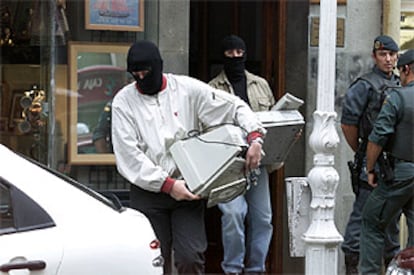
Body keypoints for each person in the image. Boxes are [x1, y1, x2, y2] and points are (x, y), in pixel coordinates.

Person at [111, 40, 266, 275]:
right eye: (136, 73)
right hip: (149, 190)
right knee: (153, 260)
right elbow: (129, 155)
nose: (141, 77)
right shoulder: (124, 102)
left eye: (146, 71)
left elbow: (234, 107)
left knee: (190, 256)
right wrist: (167, 184)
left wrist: (254, 137)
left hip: (190, 184)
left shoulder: (186, 89)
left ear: (158, 66)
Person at [208, 34, 275, 275]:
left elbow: (272, 121)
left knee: (263, 219)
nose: (236, 57)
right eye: (230, 54)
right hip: (227, 166)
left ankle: (256, 269)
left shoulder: (260, 85)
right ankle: (232, 269)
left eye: (240, 53)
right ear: (222, 56)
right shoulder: (212, 89)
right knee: (234, 215)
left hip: (257, 163)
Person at [340, 35, 401, 274]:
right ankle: (352, 267)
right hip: (373, 162)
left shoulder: (400, 83)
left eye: (391, 54)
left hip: (396, 161)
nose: (388, 59)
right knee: (363, 216)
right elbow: (348, 124)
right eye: (383, 55)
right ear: (374, 56)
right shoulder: (364, 85)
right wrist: (365, 153)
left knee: (392, 222)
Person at [360, 49, 414, 274]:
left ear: (406, 69)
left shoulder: (398, 97)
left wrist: (370, 168)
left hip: (400, 173)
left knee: (372, 222)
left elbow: (378, 137)